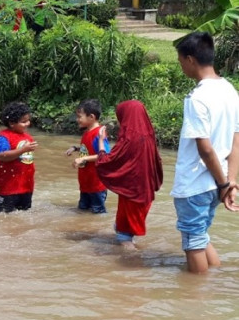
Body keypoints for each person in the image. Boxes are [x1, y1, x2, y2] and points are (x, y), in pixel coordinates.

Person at [170, 32, 239, 273]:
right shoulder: (230, 91)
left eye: (180, 62)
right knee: (200, 236)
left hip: (197, 183)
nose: (181, 68)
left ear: (190, 60)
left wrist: (224, 184)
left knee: (193, 244)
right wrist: (230, 182)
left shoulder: (197, 98)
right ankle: (214, 281)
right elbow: (235, 141)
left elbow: (205, 148)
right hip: (215, 183)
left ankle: (197, 297)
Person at [95, 100, 163, 250]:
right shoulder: (148, 136)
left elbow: (106, 162)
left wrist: (101, 142)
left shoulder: (129, 138)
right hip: (145, 190)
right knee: (124, 231)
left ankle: (131, 265)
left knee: (124, 237)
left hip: (132, 193)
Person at [65, 99, 109, 214]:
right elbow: (89, 149)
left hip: (96, 184)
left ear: (91, 117)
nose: (77, 119)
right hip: (86, 183)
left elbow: (104, 155)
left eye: (80, 116)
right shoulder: (87, 132)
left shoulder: (99, 133)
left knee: (98, 213)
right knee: (82, 211)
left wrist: (83, 158)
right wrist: (76, 148)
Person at [0, 102, 37, 212]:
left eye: (28, 120)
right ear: (12, 123)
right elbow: (2, 156)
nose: (28, 123)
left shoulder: (28, 137)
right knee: (4, 218)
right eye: (24, 122)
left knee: (22, 218)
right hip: (7, 189)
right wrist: (23, 149)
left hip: (26, 187)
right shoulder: (2, 138)